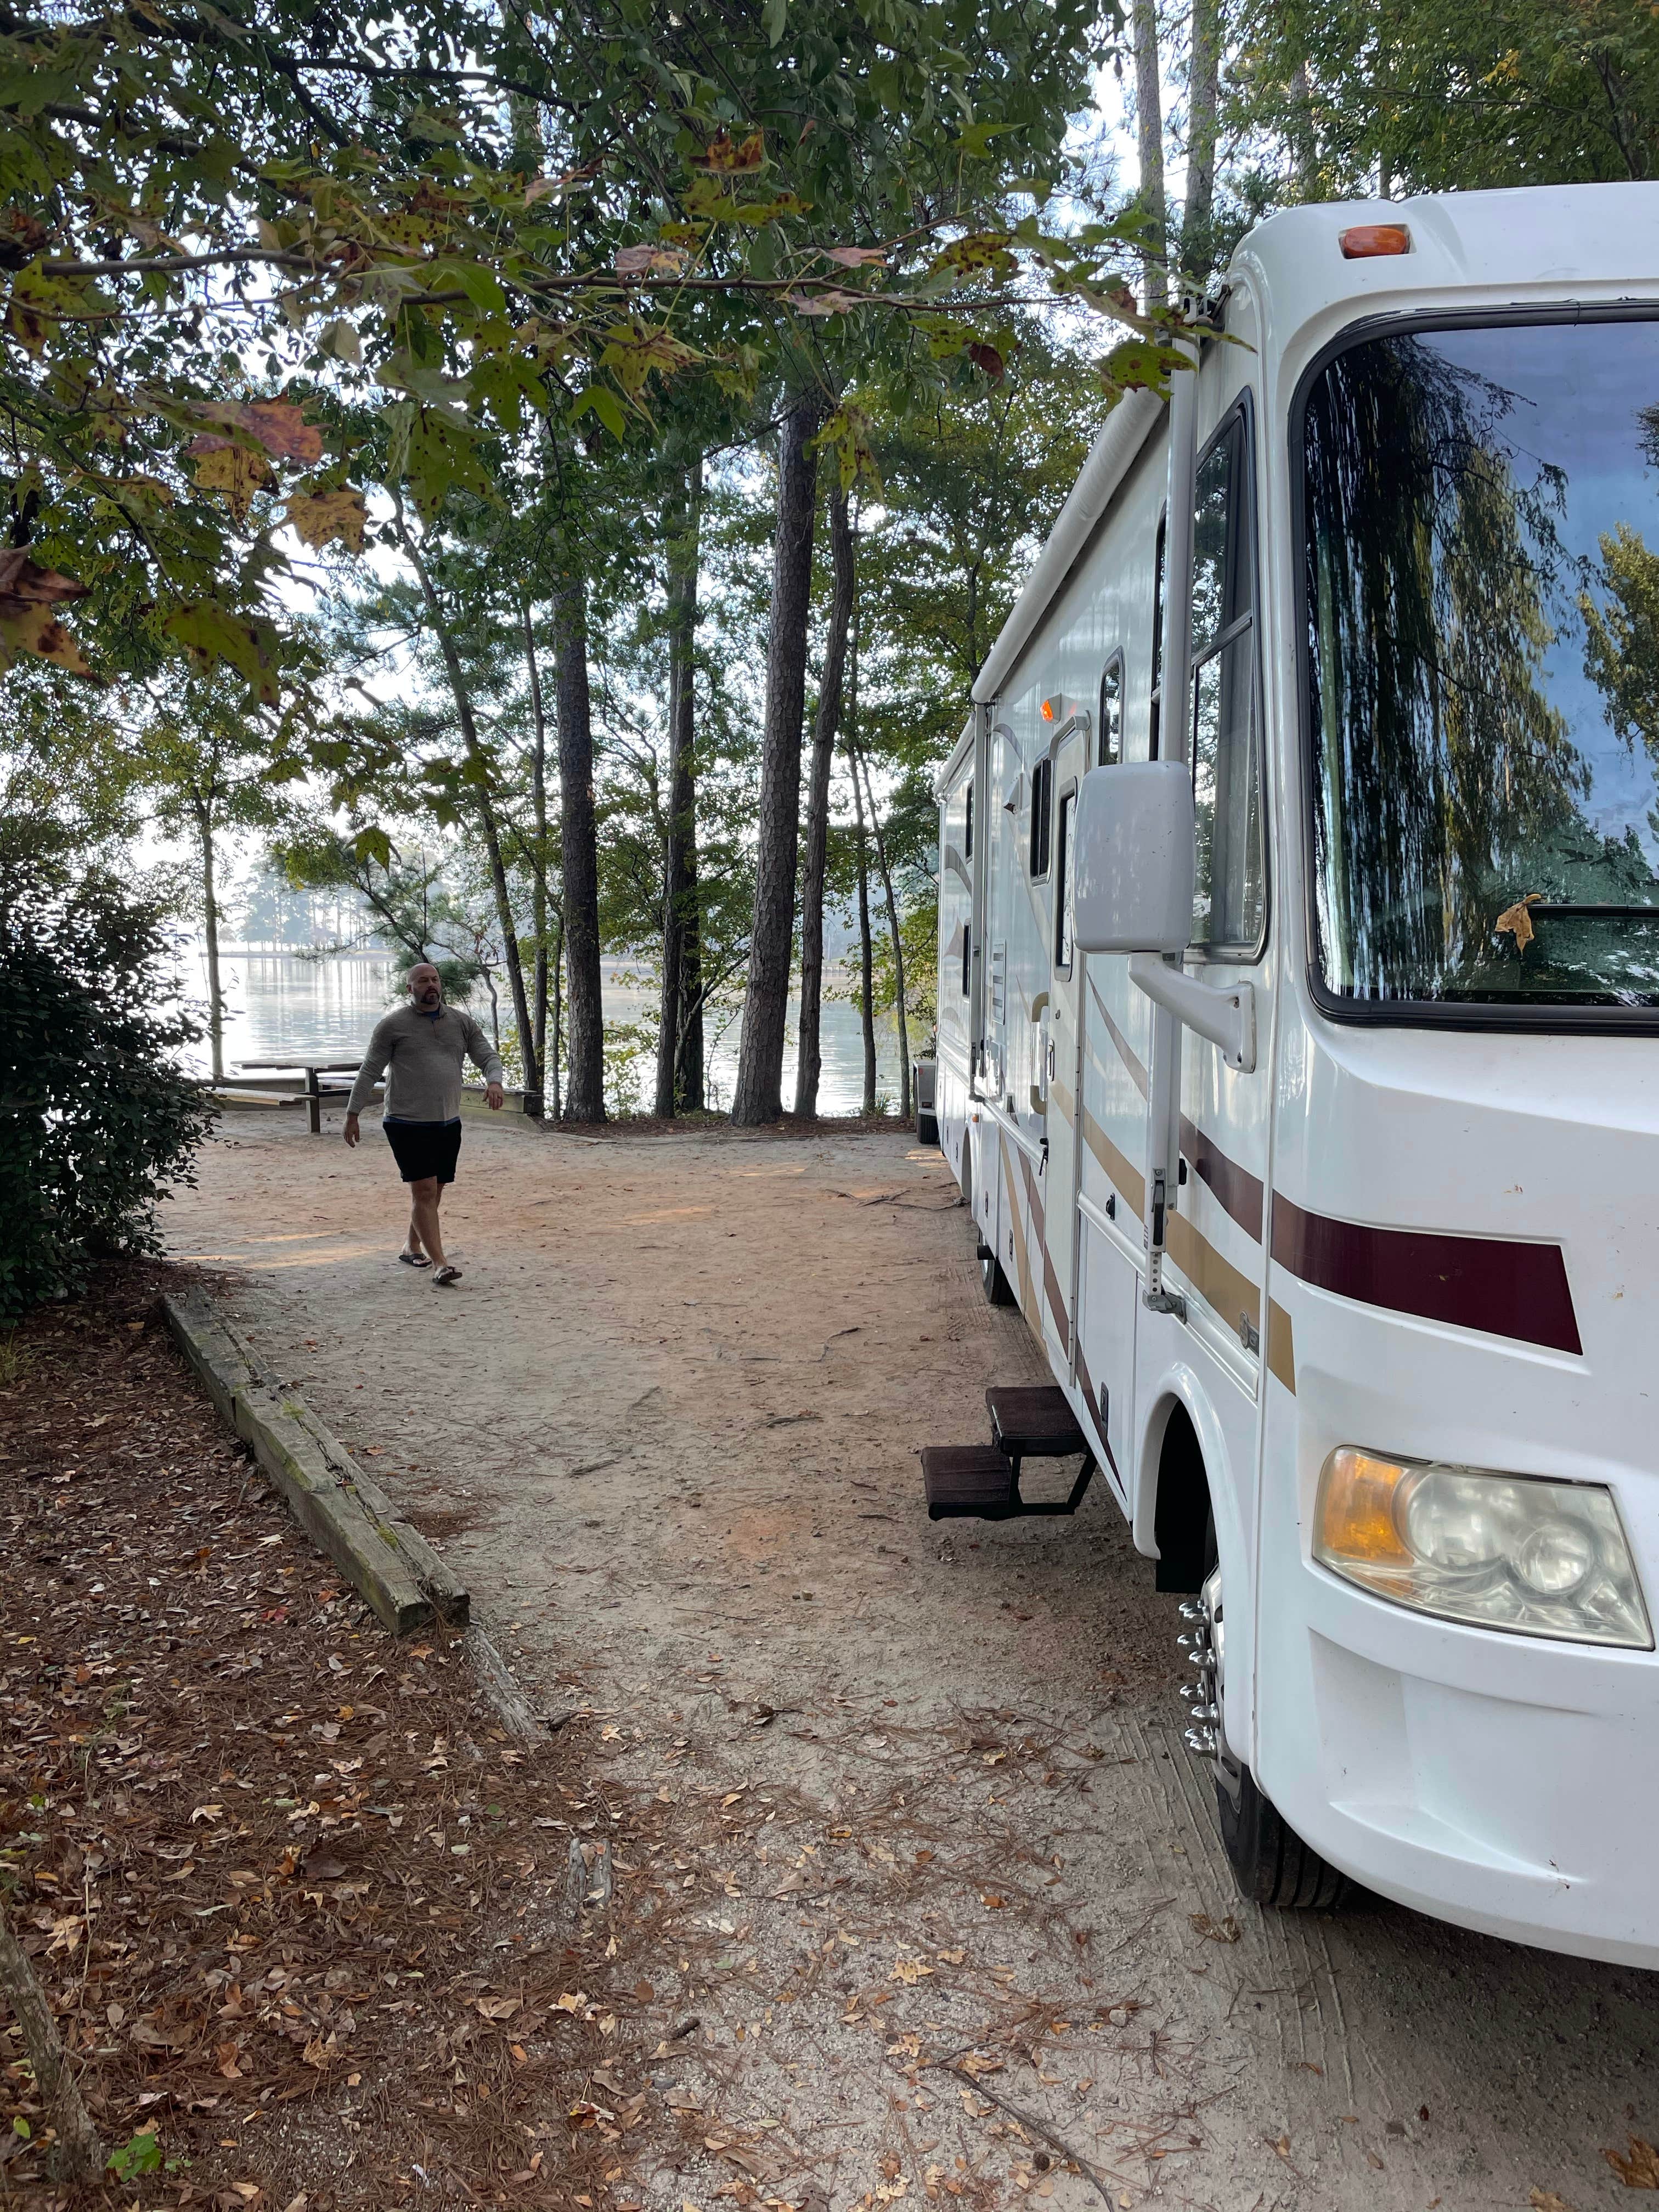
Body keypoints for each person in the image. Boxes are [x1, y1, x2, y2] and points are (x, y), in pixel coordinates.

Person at [343, 963, 505, 1285]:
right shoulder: (392, 1026)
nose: (430, 985)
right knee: (425, 1190)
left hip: (448, 1121)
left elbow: (487, 1056)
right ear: (410, 988)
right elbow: (370, 1071)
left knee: (433, 1191)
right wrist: (352, 1113)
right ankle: (440, 1265)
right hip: (406, 1122)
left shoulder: (461, 1022)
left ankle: (411, 1245)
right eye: (422, 981)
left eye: (434, 980)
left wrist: (495, 1081)